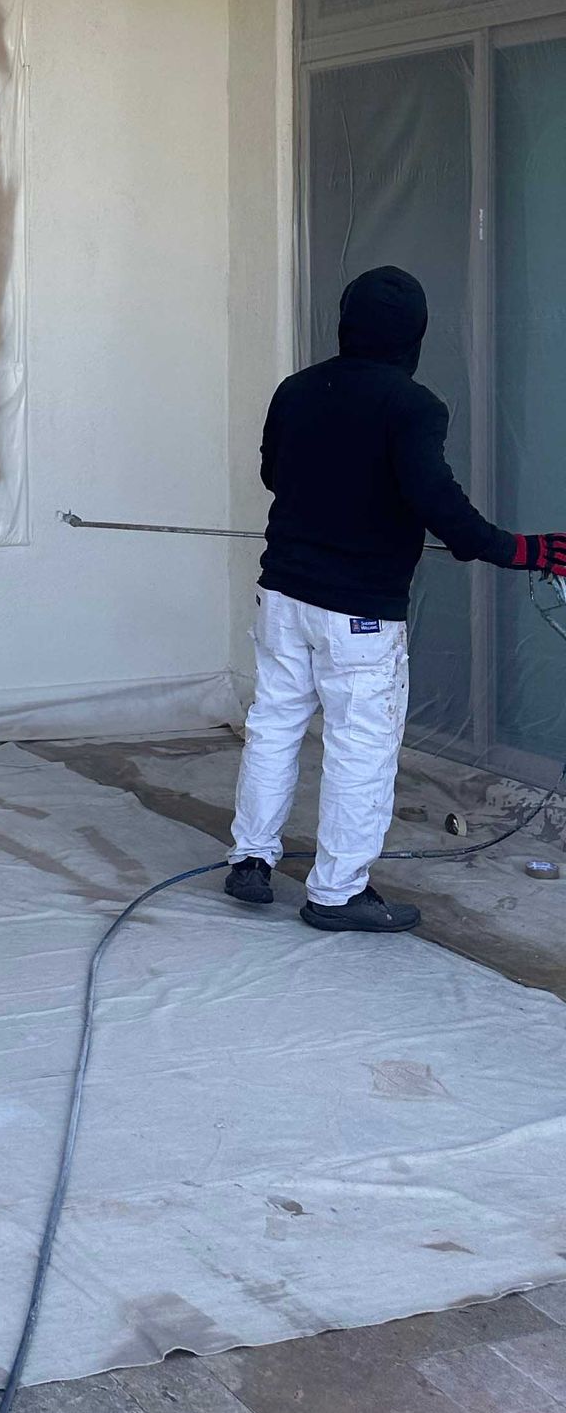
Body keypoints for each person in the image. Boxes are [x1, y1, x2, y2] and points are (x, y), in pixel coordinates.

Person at [226, 264, 566, 933]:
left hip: (283, 596)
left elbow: (274, 472)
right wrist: (525, 550)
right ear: (414, 337)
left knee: (274, 725)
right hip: (358, 613)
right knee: (361, 747)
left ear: (346, 323)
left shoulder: (296, 390)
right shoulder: (412, 406)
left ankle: (250, 860)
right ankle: (336, 893)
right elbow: (440, 507)